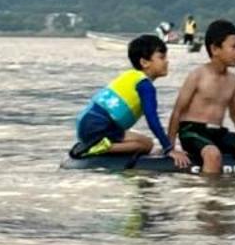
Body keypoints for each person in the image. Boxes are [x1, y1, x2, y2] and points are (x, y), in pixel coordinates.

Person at [167, 18, 235, 175]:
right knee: (213, 154)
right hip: (193, 131)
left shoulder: (233, 80)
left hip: (217, 132)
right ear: (214, 49)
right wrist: (170, 148)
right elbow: (177, 111)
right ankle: (210, 197)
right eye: (233, 47)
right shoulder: (198, 75)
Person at [69, 33, 175, 161]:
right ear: (144, 62)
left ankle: (97, 144)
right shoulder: (145, 86)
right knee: (147, 144)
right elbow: (152, 120)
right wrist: (168, 148)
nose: (167, 61)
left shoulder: (131, 76)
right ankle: (97, 148)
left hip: (86, 124)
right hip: (99, 127)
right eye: (162, 57)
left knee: (144, 141)